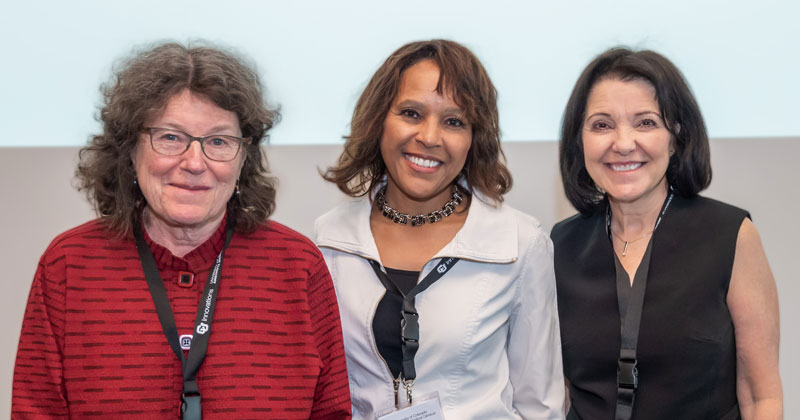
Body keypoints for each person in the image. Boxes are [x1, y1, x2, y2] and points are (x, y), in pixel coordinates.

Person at [12, 42, 351, 419]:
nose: (194, 162)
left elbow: (332, 413)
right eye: (171, 137)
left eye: (218, 141)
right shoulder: (69, 265)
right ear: (130, 149)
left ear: (244, 157)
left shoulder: (296, 265)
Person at [315, 39, 564, 419]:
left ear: (473, 139)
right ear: (378, 119)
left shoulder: (521, 243)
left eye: (453, 121)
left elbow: (540, 404)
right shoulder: (327, 241)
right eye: (411, 113)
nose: (430, 137)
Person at [551, 47, 782, 420]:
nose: (623, 143)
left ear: (676, 137)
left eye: (645, 123)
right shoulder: (559, 247)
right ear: (579, 141)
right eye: (602, 125)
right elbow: (557, 394)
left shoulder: (731, 235)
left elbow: (761, 398)